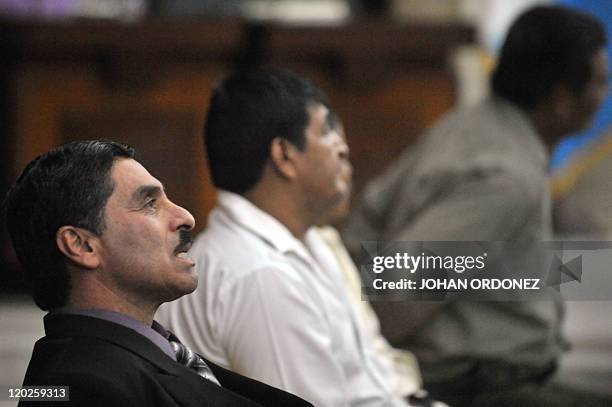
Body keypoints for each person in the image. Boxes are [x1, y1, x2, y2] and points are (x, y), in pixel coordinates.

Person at [344, 5, 610, 406]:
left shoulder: (475, 123)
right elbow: (397, 288)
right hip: (476, 387)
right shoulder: (506, 179)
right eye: (601, 83)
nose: (605, 95)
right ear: (560, 100)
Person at [157, 67, 439, 406]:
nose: (343, 149)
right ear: (285, 155)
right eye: (326, 131)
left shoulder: (310, 243)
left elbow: (376, 381)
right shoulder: (260, 276)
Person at [3, 139, 312, 407]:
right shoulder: (83, 388)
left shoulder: (148, 350)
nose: (186, 217)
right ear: (82, 245)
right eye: (150, 203)